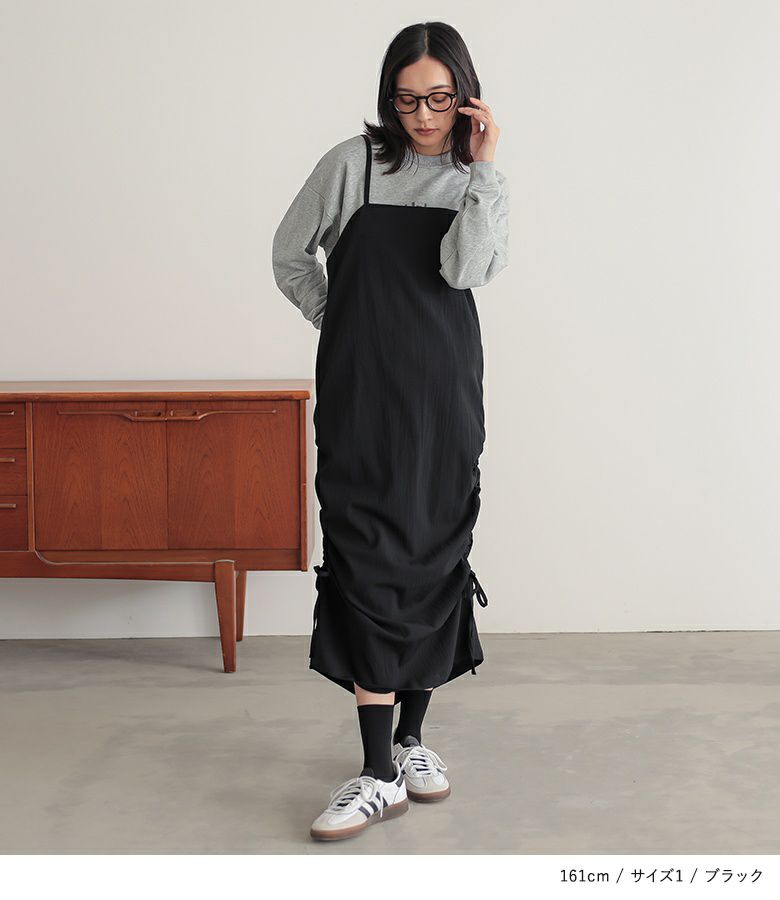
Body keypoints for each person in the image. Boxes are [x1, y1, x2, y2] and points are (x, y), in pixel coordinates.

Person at [272, 21, 509, 842]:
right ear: (388, 97)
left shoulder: (477, 181)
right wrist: (340, 321)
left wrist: (484, 172)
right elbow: (289, 254)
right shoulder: (353, 165)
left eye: (440, 100)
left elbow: (465, 270)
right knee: (366, 552)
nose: (424, 117)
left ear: (466, 98)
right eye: (408, 101)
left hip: (444, 392)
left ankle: (409, 742)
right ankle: (376, 773)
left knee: (436, 548)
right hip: (362, 392)